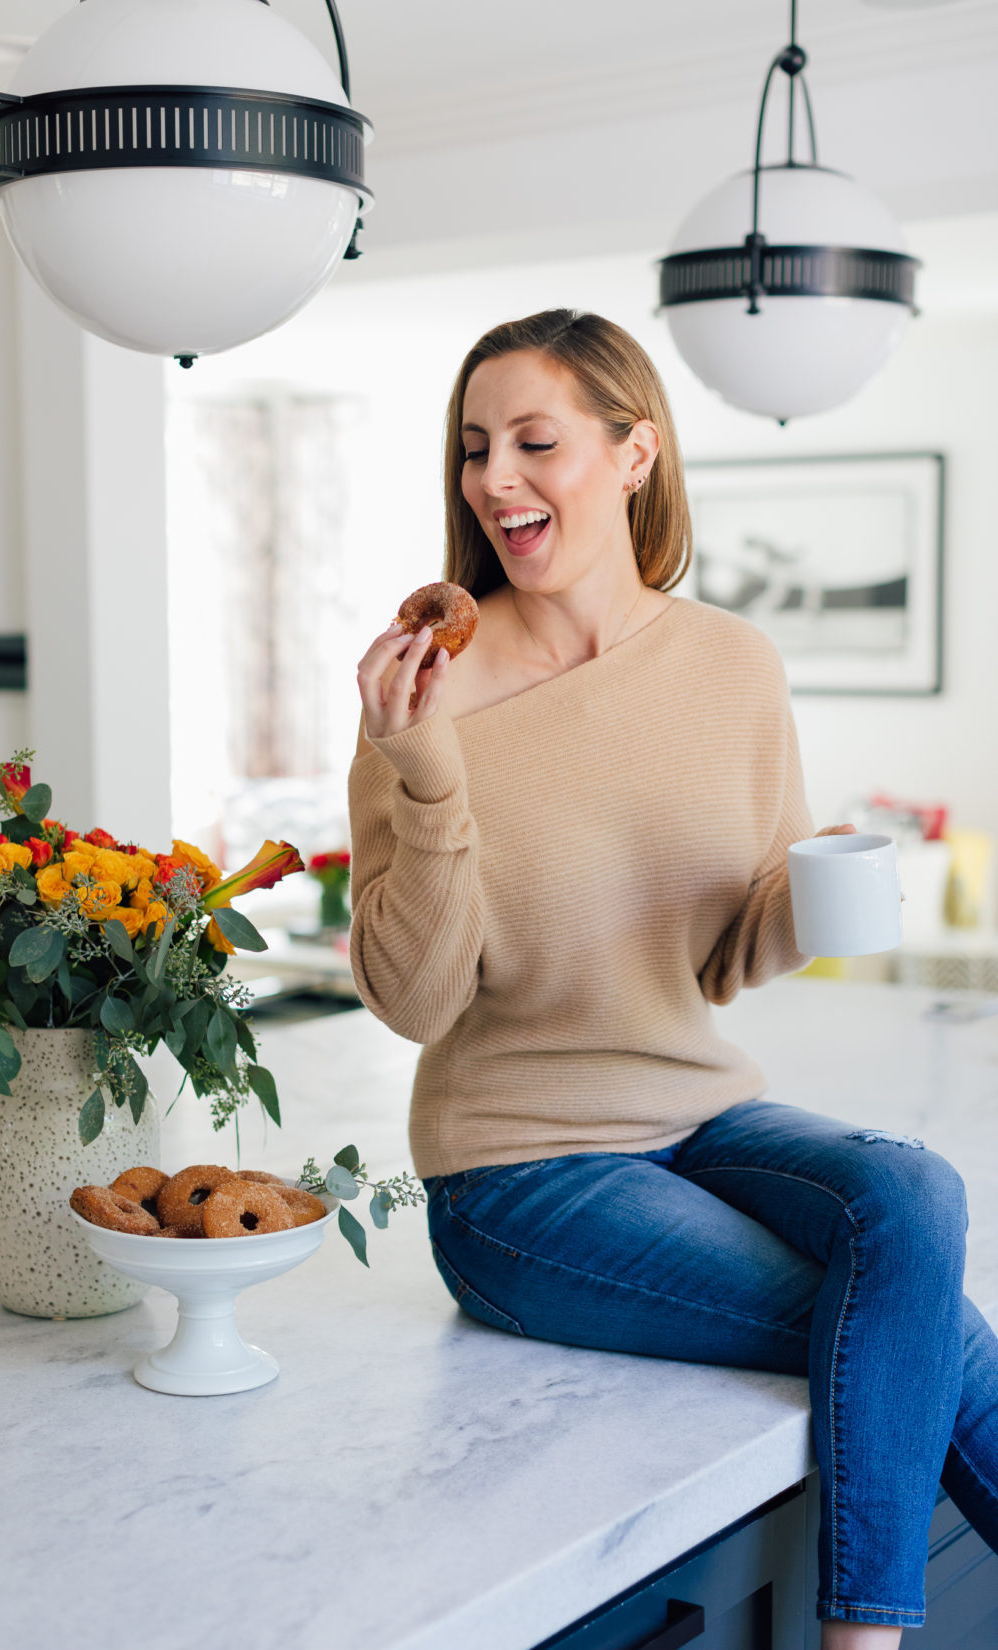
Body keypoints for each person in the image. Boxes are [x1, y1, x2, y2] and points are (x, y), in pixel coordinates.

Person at [348, 308, 998, 1647]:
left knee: (915, 1197)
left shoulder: (730, 665)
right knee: (900, 1316)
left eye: (536, 440)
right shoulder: (427, 692)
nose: (493, 478)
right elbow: (413, 999)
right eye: (476, 447)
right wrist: (421, 770)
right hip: (518, 1173)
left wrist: (806, 892)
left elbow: (719, 954)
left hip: (695, 1116)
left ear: (636, 451)